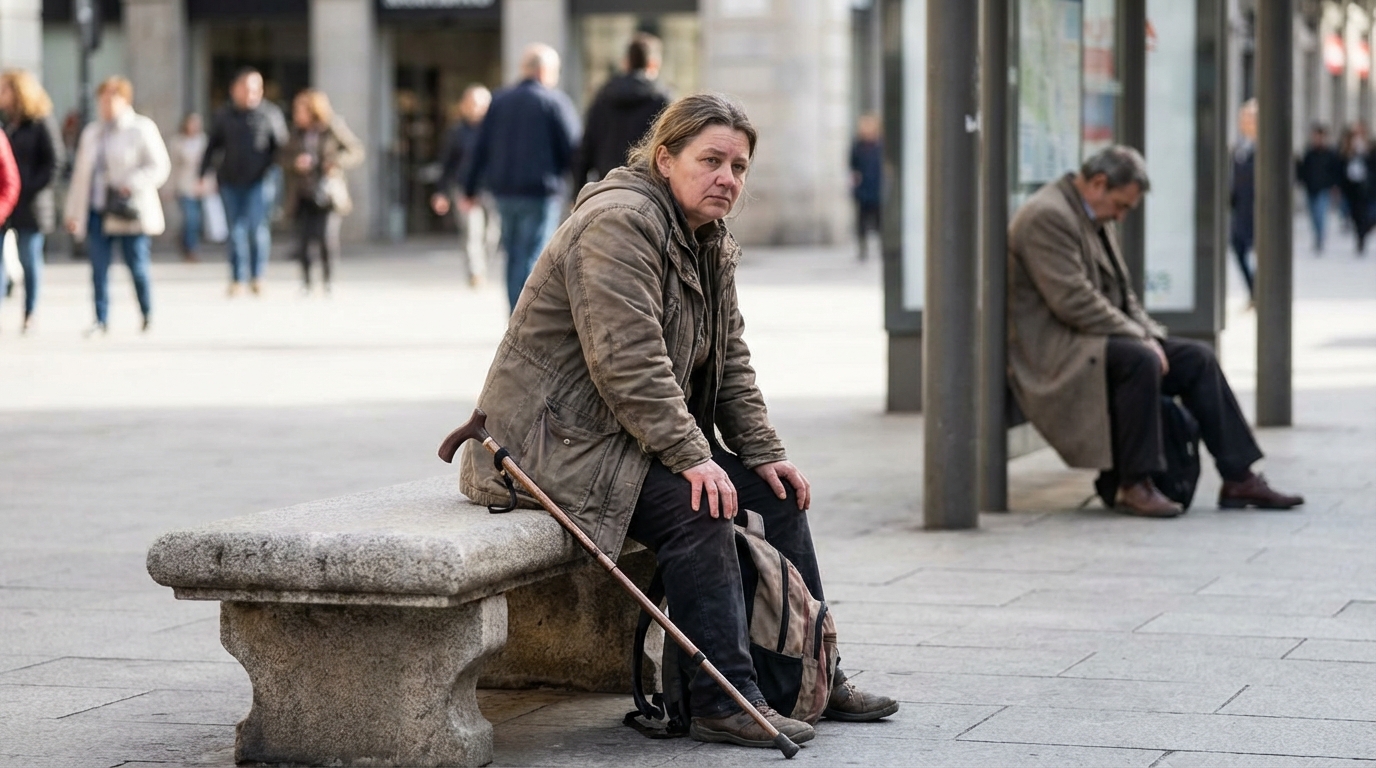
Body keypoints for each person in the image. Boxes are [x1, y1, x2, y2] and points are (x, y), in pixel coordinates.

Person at [459, 93, 898, 750]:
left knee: (776, 492)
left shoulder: (706, 237)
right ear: (665, 158)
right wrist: (695, 457)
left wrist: (762, 451)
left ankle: (810, 676)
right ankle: (725, 699)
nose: (728, 178)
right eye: (711, 160)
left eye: (739, 167)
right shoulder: (619, 224)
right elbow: (627, 362)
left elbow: (732, 361)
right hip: (548, 447)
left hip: (627, 442)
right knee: (699, 506)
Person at [1007, 145, 1304, 518]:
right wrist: (1140, 339)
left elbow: (1123, 294)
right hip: (1057, 350)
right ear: (1098, 184)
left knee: (1197, 358)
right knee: (1140, 359)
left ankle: (1238, 475)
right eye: (1122, 205)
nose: (1123, 215)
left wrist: (1149, 333)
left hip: (1094, 337)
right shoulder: (1047, 217)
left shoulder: (1092, 214)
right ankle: (1134, 483)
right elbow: (1073, 302)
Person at [461, 44, 581, 310]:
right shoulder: (554, 102)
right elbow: (573, 149)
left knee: (514, 256)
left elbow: (479, 149)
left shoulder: (499, 101)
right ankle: (525, 317)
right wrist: (581, 191)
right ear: (544, 71)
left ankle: (515, 315)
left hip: (505, 192)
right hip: (540, 193)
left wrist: (469, 189)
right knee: (534, 256)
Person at [63, 76, 171, 335]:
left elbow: (160, 167)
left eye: (112, 99)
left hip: (128, 211)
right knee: (98, 268)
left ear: (125, 100)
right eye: (103, 99)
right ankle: (100, 319)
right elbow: (80, 177)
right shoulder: (92, 132)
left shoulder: (141, 128)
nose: (107, 105)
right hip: (98, 210)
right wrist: (73, 212)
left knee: (137, 265)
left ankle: (147, 313)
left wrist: (131, 182)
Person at [200, 67, 288, 296]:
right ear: (235, 89)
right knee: (235, 231)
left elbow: (283, 149)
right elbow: (211, 147)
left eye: (256, 89)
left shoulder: (270, 114)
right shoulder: (223, 115)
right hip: (230, 181)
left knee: (257, 229)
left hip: (260, 181)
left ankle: (258, 276)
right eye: (246, 88)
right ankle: (237, 278)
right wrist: (202, 175)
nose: (251, 93)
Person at [282, 89, 365, 295]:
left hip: (328, 193)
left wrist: (335, 162)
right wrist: (295, 164)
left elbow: (355, 151)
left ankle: (328, 280)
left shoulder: (331, 128)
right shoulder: (295, 133)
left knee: (326, 238)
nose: (297, 115)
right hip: (302, 192)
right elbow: (281, 157)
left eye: (300, 111)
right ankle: (306, 282)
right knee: (302, 239)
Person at [0, 69, 62, 333]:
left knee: (28, 259)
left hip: (32, 204)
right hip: (6, 203)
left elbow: (55, 162)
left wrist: (28, 188)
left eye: (5, 89)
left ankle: (30, 311)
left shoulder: (40, 121)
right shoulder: (6, 122)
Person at [572, 32, 671, 190]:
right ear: (653, 64)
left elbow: (586, 147)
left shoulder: (603, 96)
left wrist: (577, 191)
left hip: (606, 185)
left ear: (626, 63)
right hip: (647, 188)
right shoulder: (662, 99)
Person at [431, 85, 495, 288]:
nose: (476, 108)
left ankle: (482, 266)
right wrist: (441, 192)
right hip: (464, 189)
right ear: (464, 106)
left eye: (481, 104)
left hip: (492, 189)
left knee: (492, 234)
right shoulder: (456, 133)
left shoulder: (496, 131)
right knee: (471, 232)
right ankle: (475, 273)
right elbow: (446, 164)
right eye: (472, 103)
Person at [1296, 124, 1343, 254]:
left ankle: (1320, 237)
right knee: (1313, 215)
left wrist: (1334, 185)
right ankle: (1317, 235)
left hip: (1324, 188)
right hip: (1311, 188)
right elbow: (1304, 170)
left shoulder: (1330, 154)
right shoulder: (1309, 153)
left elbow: (1335, 171)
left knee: (1320, 213)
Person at [168, 113, 207, 262]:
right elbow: (173, 166)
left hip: (200, 185)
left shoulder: (203, 141)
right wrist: (170, 187)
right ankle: (191, 249)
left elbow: (208, 165)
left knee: (196, 220)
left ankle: (185, 242)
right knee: (190, 219)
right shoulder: (178, 142)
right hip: (183, 185)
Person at [1229, 100, 1257, 301]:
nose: (1243, 122)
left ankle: (1258, 293)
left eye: (1247, 118)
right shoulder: (1239, 146)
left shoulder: (1265, 147)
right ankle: (1253, 290)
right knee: (1238, 248)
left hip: (1257, 209)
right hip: (1240, 209)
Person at [849, 113, 883, 262]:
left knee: (879, 221)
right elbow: (853, 166)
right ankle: (863, 248)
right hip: (863, 189)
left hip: (877, 188)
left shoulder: (880, 146)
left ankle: (882, 248)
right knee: (862, 221)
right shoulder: (858, 146)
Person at [1338, 123, 1372, 255]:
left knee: (1365, 215)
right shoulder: (1347, 149)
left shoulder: (1369, 148)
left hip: (1367, 189)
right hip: (1352, 189)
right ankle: (1360, 237)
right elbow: (1341, 166)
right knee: (1355, 216)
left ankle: (1362, 236)